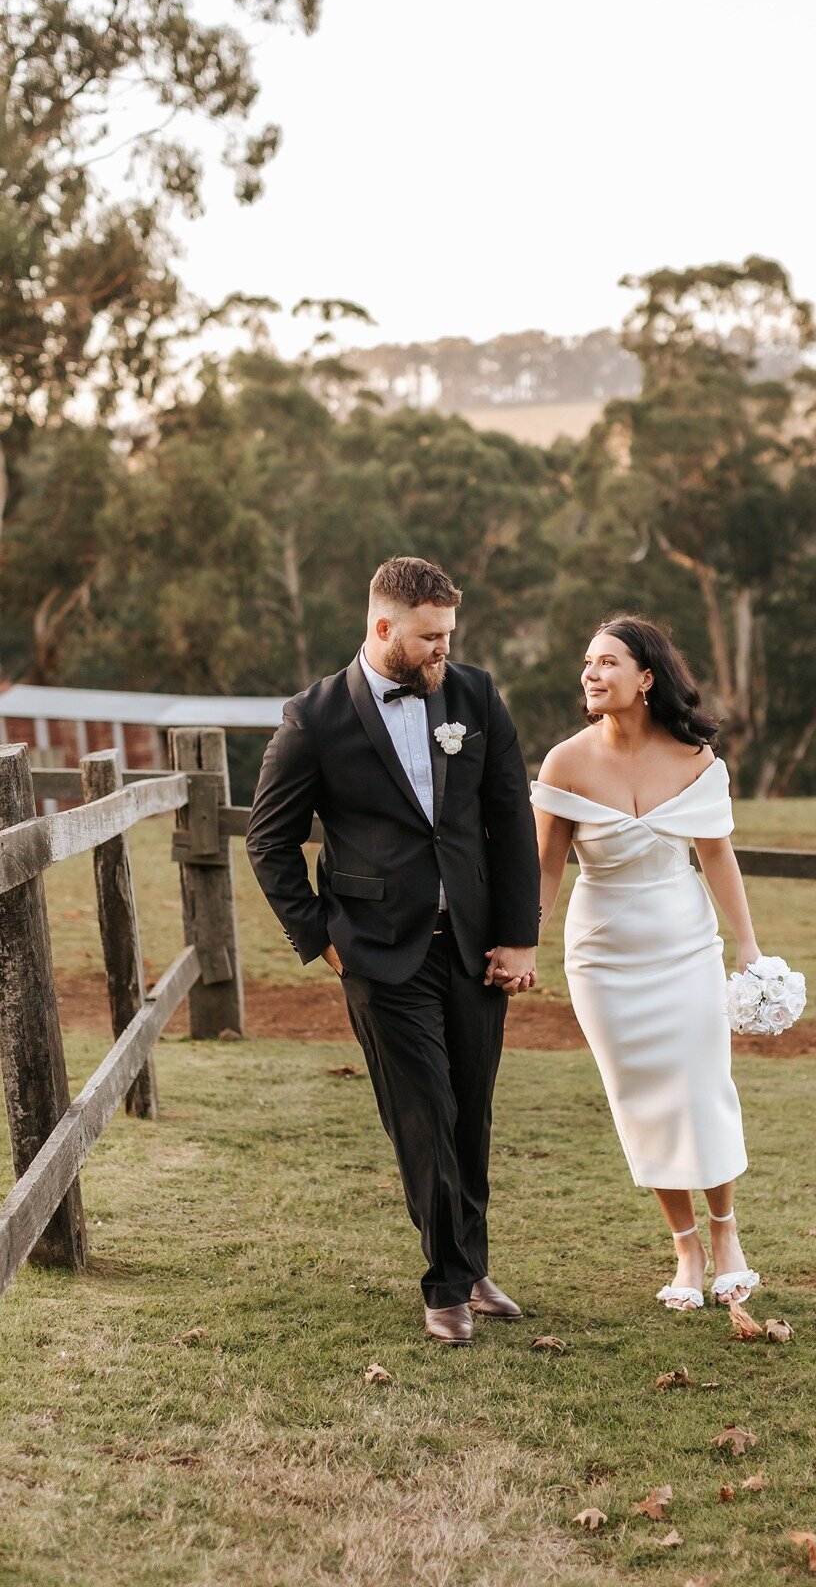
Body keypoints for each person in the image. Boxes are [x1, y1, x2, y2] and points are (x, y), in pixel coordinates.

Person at [246, 557, 540, 1345]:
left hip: (474, 946)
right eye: (430, 637)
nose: (444, 650)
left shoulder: (475, 696)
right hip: (376, 952)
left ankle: (469, 1264)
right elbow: (268, 842)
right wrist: (324, 942)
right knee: (424, 1115)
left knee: (470, 1112)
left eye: (449, 634)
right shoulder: (313, 718)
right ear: (383, 628)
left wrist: (518, 936)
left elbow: (511, 820)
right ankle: (445, 1285)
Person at [531, 616, 761, 1312]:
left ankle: (726, 1236)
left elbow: (717, 856)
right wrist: (524, 945)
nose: (590, 675)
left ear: (645, 678)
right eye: (586, 663)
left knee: (700, 1087)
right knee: (642, 1101)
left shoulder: (695, 760)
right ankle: (684, 1248)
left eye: (605, 663)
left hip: (684, 948)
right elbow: (545, 868)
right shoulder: (564, 762)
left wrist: (746, 946)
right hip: (601, 958)